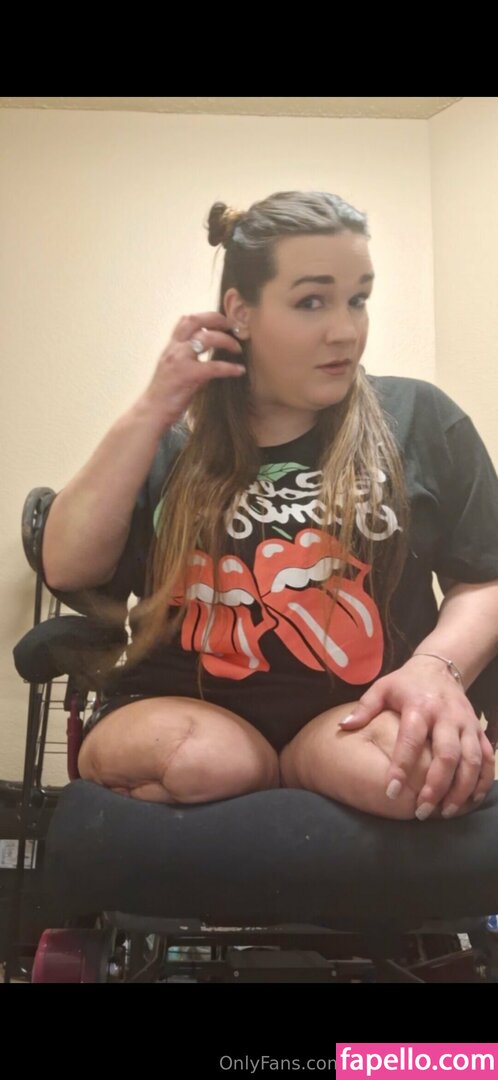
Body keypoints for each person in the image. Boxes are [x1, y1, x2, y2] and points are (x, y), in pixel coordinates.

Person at [41, 190, 498, 821]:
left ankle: (303, 763)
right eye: (312, 301)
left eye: (358, 299)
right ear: (241, 312)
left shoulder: (421, 417)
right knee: (198, 761)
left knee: (413, 776)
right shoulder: (171, 440)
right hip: (183, 710)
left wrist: (435, 669)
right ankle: (270, 768)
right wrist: (151, 408)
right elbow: (67, 566)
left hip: (361, 714)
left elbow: (485, 577)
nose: (346, 330)